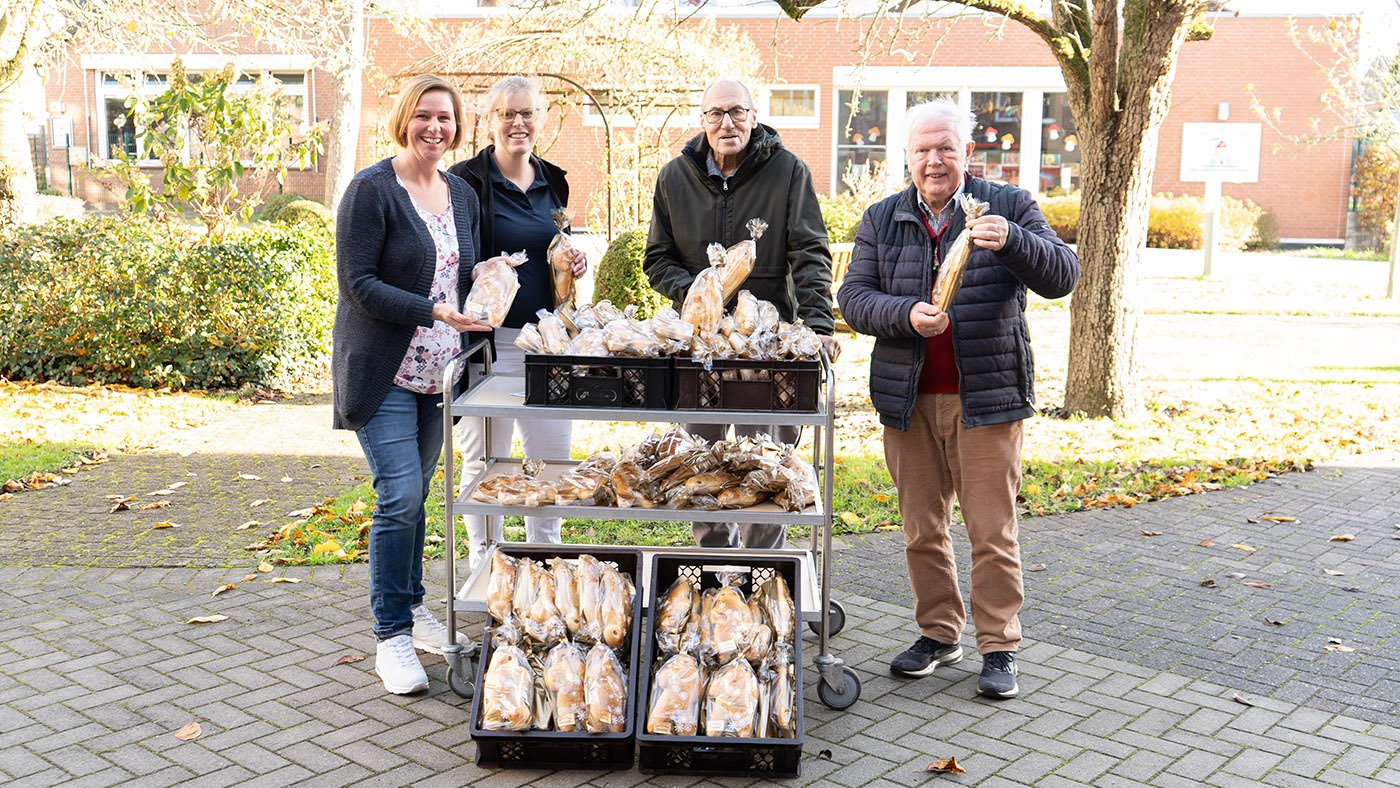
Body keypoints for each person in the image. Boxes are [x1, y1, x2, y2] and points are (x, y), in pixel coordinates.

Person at [837, 99, 1079, 699]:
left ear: (967, 152)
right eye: (922, 149)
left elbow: (1063, 276)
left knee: (991, 532)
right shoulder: (883, 217)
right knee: (922, 529)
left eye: (945, 147)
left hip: (986, 399)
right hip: (909, 399)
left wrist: (1015, 241)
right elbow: (853, 297)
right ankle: (939, 633)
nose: (934, 160)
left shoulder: (1008, 205)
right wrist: (904, 314)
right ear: (907, 156)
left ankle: (999, 646)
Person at [332, 74, 495, 695]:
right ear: (405, 119)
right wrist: (433, 311)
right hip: (386, 372)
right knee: (398, 495)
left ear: (457, 128)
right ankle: (391, 636)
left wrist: (490, 275)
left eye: (445, 118)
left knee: (417, 495)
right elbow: (358, 284)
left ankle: (414, 605)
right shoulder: (372, 190)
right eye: (424, 116)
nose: (435, 127)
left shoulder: (459, 192)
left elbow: (461, 267)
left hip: (439, 375)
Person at [644, 78, 839, 550]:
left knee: (764, 464)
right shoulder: (675, 177)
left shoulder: (788, 171)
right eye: (716, 113)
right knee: (700, 460)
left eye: (737, 112)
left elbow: (810, 253)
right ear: (702, 120)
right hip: (700, 347)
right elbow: (657, 258)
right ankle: (713, 562)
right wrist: (700, 291)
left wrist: (817, 326)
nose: (726, 123)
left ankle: (763, 566)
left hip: (768, 350)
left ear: (754, 117)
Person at [447, 76, 588, 572]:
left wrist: (571, 260)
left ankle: (544, 559)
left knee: (550, 460)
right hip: (491, 345)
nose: (518, 123)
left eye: (527, 113)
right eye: (507, 113)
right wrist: (482, 270)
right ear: (489, 120)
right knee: (486, 461)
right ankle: (487, 565)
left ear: (541, 119)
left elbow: (553, 246)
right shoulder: (464, 181)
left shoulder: (554, 179)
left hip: (549, 342)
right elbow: (450, 259)